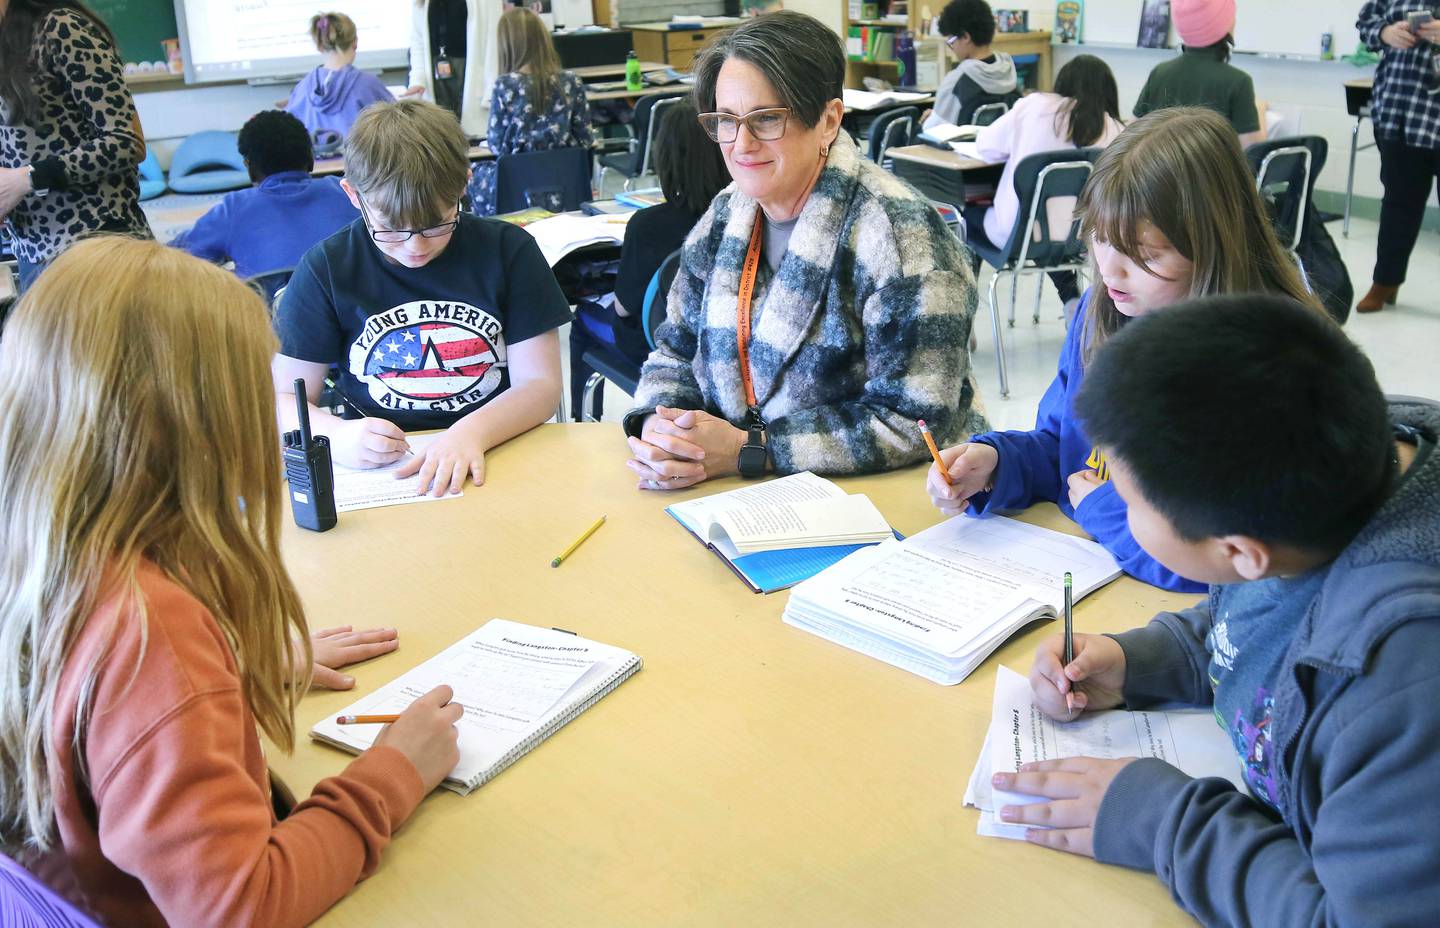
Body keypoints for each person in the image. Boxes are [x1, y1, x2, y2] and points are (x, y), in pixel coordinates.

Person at [0, 237, 463, 927]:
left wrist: (233, 676)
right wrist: (393, 772)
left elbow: (92, 733)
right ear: (199, 429)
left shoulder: (37, 552)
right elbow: (242, 907)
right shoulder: (152, 635)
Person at [999, 294, 1440, 924]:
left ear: (1239, 549)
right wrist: (1139, 662)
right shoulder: (1338, 469)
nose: (1112, 507)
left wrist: (1163, 821)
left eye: (1127, 503)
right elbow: (1268, 610)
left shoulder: (1405, 687)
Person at [926, 108, 1323, 593]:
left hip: (1178, 620)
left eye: (1145, 255)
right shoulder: (1102, 313)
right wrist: (997, 464)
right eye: (1100, 238)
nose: (1110, 272)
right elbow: (1065, 453)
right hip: (1092, 575)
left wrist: (1107, 515)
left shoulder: (1265, 368)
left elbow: (1237, 566)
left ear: (1215, 244)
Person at [624, 11, 987, 490]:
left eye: (767, 119)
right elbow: (675, 350)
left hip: (886, 499)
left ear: (829, 120)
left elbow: (915, 421)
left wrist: (750, 450)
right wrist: (660, 425)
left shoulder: (902, 235)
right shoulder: (726, 213)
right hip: (740, 490)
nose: (741, 143)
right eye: (725, 121)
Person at [273, 99, 569, 498]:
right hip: (388, 467)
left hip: (500, 443)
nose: (414, 247)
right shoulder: (327, 267)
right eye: (391, 229)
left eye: (435, 225)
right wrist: (337, 435)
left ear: (464, 184)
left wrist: (471, 432)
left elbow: (540, 385)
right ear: (353, 194)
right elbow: (282, 398)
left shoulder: (509, 251)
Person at [569, 97, 731, 418]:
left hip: (656, 350)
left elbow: (624, 307)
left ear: (665, 158)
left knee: (583, 323)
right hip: (724, 351)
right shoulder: (741, 214)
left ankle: (580, 419)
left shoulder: (647, 225)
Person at [0, 0, 151, 293]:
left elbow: (125, 141)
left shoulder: (61, 27)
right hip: (32, 251)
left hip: (96, 242)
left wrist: (28, 178)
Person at [968, 54, 1124, 304]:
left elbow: (985, 146)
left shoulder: (1034, 106)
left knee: (966, 217)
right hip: (1080, 240)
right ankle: (1071, 301)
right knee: (1051, 229)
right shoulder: (1116, 130)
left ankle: (965, 309)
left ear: (1062, 84)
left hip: (1016, 235)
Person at [172, 109, 357, 281]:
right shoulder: (345, 191)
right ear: (310, 159)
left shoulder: (234, 208)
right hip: (352, 311)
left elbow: (178, 257)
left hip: (266, 313)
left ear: (249, 168)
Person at [1354, 2, 1440, 312]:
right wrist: (1385, 32)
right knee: (1398, 204)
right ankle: (1385, 282)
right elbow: (1365, 20)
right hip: (1400, 112)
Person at [469, 7, 592, 216]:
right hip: (566, 184)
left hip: (518, 187)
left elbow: (496, 144)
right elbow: (585, 138)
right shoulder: (571, 81)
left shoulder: (505, 85)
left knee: (476, 174)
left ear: (507, 45)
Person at [1132, 0, 1266, 147]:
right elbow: (1252, 151)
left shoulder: (1160, 72)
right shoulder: (1239, 81)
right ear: (1225, 25)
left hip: (1158, 169)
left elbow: (1131, 133)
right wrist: (1259, 111)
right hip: (1210, 170)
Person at [283, 11, 393, 144]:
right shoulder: (368, 84)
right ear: (355, 42)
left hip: (314, 164)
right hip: (359, 163)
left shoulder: (301, 88)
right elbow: (399, 124)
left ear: (319, 45)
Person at [404, 0, 500, 138]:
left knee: (472, 138)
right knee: (441, 138)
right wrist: (417, 80)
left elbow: (494, 41)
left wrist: (491, 88)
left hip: (471, 77)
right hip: (436, 77)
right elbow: (417, 42)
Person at [923, 0, 1021, 131]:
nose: (952, 47)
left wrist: (930, 120)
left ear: (965, 37)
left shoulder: (957, 81)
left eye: (951, 41)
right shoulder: (1008, 70)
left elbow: (933, 131)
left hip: (959, 150)